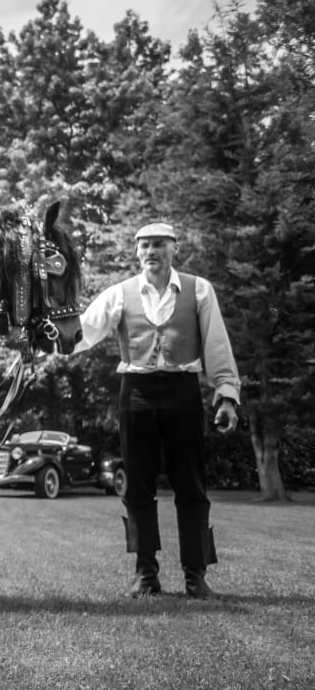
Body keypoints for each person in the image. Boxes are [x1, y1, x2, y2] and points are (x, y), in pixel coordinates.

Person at [75, 221, 240, 599]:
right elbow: (84, 331)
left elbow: (217, 345)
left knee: (192, 486)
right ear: (136, 252)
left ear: (173, 249)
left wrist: (226, 395)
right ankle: (145, 575)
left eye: (159, 245)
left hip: (183, 392)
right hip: (136, 394)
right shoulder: (120, 293)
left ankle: (195, 576)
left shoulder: (200, 291)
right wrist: (47, 337)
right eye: (145, 245)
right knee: (137, 487)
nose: (151, 252)